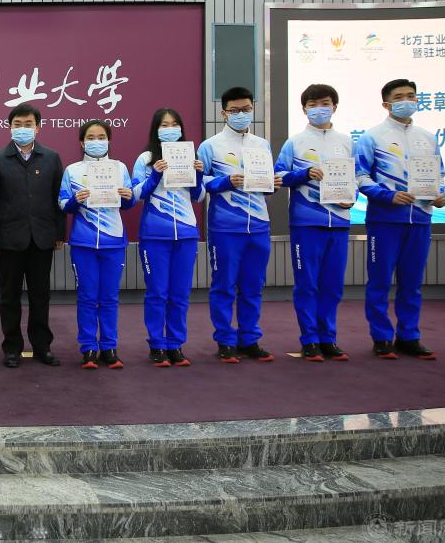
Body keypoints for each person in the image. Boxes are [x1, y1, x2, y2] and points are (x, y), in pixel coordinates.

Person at [355, 78, 445, 361]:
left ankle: (409, 336)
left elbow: (439, 174)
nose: (406, 101)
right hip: (385, 220)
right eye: (399, 97)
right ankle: (382, 337)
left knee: (412, 283)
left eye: (411, 96)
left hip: (420, 219)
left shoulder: (428, 137)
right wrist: (387, 196)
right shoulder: (372, 137)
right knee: (380, 282)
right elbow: (360, 177)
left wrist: (440, 195)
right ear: (386, 104)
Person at [198, 87, 282, 363]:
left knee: (253, 286)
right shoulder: (210, 146)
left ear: (252, 110)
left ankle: (250, 339)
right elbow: (199, 184)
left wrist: (273, 184)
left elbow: (266, 183)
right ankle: (225, 340)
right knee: (224, 285)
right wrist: (226, 181)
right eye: (234, 110)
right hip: (225, 227)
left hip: (258, 225)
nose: (241, 114)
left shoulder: (262, 144)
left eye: (246, 109)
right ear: (224, 113)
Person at [274, 84, 354, 363]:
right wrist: (305, 174)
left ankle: (328, 339)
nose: (319, 108)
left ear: (334, 107)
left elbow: (356, 178)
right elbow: (278, 177)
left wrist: (351, 198)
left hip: (339, 222)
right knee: (307, 284)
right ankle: (309, 339)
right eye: (313, 104)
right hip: (306, 222)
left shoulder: (347, 142)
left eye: (325, 103)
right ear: (304, 109)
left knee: (332, 286)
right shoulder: (294, 142)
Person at [0, 102, 66, 368]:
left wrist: (59, 232)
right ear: (10, 127)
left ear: (38, 128)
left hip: (42, 237)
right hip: (9, 238)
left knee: (40, 296)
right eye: (17, 124)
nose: (23, 128)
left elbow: (58, 198)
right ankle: (12, 348)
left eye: (28, 124)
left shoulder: (51, 158)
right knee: (9, 296)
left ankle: (42, 346)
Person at [58, 119, 136, 370]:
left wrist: (128, 197)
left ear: (109, 140)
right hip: (84, 242)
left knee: (110, 297)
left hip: (114, 242)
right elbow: (62, 204)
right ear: (82, 143)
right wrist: (75, 200)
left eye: (101, 137)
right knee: (87, 297)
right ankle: (89, 347)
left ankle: (109, 347)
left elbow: (128, 203)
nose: (96, 142)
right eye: (90, 138)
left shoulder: (119, 168)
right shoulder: (72, 170)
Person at [131, 108, 206, 368]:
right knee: (157, 293)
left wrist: (198, 174)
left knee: (180, 293)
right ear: (156, 129)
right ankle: (157, 344)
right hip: (155, 234)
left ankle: (175, 344)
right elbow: (136, 194)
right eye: (164, 125)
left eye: (175, 124)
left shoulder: (191, 156)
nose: (170, 129)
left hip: (186, 233)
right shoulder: (146, 158)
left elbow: (199, 197)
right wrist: (155, 174)